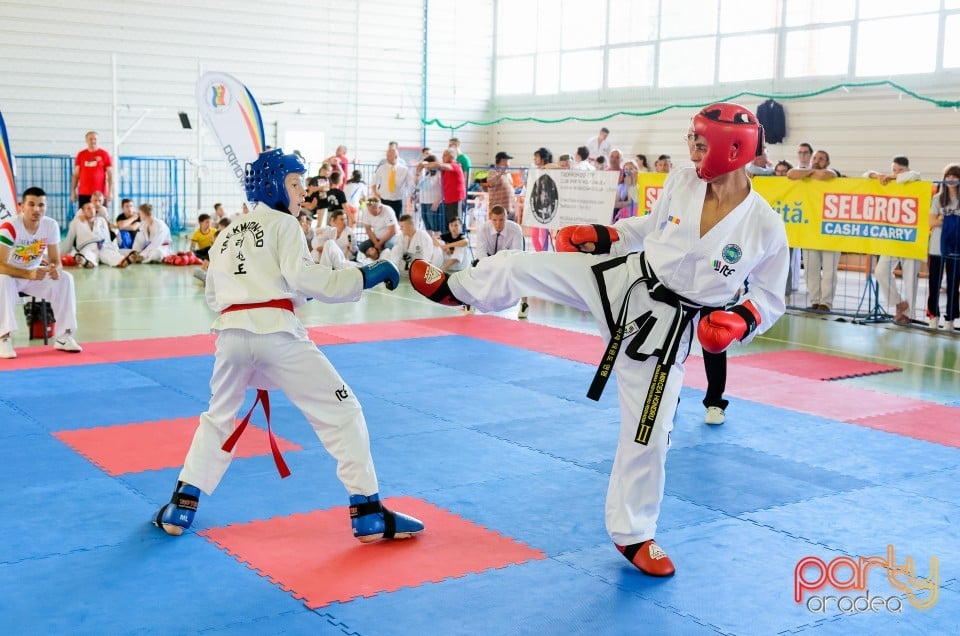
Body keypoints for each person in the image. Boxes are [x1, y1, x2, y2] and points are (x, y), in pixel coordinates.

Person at [408, 103, 789, 577]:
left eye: (699, 141)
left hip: (666, 334)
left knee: (648, 436)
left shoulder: (766, 226)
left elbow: (773, 297)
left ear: (733, 150)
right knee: (525, 265)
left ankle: (634, 534)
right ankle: (455, 287)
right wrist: (605, 234)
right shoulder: (684, 182)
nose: (690, 150)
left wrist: (740, 321)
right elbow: (649, 229)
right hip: (625, 281)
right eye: (692, 139)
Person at [154, 148, 424, 543]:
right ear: (274, 185)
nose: (303, 194)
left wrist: (277, 293)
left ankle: (182, 505)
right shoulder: (284, 224)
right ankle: (367, 512)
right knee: (343, 411)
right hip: (277, 336)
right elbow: (310, 280)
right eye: (295, 184)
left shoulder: (228, 232)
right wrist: (364, 277)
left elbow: (216, 294)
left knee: (218, 419)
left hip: (229, 337)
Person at [0, 186, 82, 358]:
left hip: (35, 275)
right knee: (2, 280)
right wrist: (28, 274)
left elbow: (55, 260)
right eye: (31, 204)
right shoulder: (10, 227)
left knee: (65, 279)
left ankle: (64, 336)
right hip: (11, 275)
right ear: (22, 207)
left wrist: (55, 269)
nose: (36, 209)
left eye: (41, 205)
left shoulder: (50, 225)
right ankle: (4, 338)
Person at [864, 157, 922, 324]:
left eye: (899, 170)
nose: (895, 174)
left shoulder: (915, 179)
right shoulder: (889, 184)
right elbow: (866, 174)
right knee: (881, 271)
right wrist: (878, 175)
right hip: (893, 237)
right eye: (893, 170)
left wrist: (891, 177)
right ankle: (898, 303)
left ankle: (909, 315)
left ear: (906, 169)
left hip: (912, 237)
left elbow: (913, 175)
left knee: (910, 277)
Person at [787, 150, 840, 311]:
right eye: (815, 158)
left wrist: (811, 172)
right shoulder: (806, 173)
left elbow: (826, 175)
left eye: (821, 159)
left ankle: (826, 303)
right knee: (811, 270)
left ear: (828, 162)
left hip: (831, 231)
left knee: (829, 271)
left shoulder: (833, 173)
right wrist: (811, 171)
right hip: (810, 230)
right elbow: (790, 174)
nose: (817, 161)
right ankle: (815, 300)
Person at [928, 164, 960, 329]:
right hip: (936, 248)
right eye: (948, 176)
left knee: (953, 285)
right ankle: (933, 316)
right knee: (934, 284)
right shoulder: (938, 198)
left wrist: (943, 218)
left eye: (955, 176)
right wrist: (948, 220)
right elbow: (931, 221)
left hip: (956, 248)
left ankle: (950, 319)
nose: (951, 180)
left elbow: (939, 220)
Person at [72, 201, 127, 268]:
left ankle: (121, 261)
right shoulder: (79, 220)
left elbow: (107, 237)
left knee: (108, 254)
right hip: (88, 245)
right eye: (89, 208)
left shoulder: (101, 219)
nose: (91, 210)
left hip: (103, 246)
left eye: (93, 208)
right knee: (88, 253)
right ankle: (87, 261)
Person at [70, 131, 113, 208]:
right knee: (84, 216)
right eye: (90, 139)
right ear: (86, 140)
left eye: (95, 139)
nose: (93, 141)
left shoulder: (104, 154)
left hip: (100, 193)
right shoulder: (81, 155)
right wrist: (73, 191)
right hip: (84, 193)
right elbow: (76, 175)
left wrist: (110, 191)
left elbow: (110, 174)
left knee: (101, 217)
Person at [372, 145, 410, 217]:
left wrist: (408, 195)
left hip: (397, 200)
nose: (387, 158)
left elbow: (410, 184)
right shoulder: (382, 168)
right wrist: (376, 194)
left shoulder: (404, 170)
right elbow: (374, 182)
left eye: (389, 156)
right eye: (387, 155)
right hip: (383, 200)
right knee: (383, 221)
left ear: (396, 156)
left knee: (395, 221)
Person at [415, 154, 444, 234]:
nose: (426, 167)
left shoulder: (439, 174)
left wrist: (437, 202)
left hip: (433, 203)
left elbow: (444, 189)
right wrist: (417, 173)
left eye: (427, 164)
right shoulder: (426, 175)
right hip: (424, 203)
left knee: (435, 226)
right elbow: (417, 185)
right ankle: (430, 243)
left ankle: (437, 244)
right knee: (427, 226)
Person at [486, 152, 517, 221]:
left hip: (510, 209)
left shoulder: (508, 174)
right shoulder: (493, 172)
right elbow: (490, 182)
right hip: (498, 211)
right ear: (502, 161)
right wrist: (500, 174)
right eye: (507, 161)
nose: (508, 163)